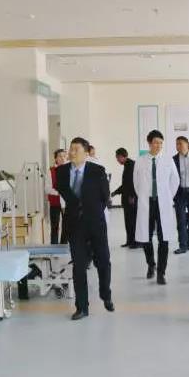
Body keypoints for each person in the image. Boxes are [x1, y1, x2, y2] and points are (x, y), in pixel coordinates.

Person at [56, 137, 113, 320]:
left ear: (86, 153)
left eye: (76, 149)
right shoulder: (61, 171)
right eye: (70, 149)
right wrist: (79, 208)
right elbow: (64, 192)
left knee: (103, 261)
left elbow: (105, 196)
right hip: (75, 225)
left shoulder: (97, 171)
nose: (71, 152)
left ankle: (105, 293)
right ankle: (82, 307)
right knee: (79, 266)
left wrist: (91, 211)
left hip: (96, 223)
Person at [133, 130, 180, 285]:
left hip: (163, 203)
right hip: (147, 203)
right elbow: (136, 183)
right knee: (145, 237)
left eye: (160, 143)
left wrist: (167, 196)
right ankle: (151, 264)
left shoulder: (167, 160)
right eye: (155, 142)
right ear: (149, 143)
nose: (158, 145)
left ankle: (161, 272)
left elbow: (175, 180)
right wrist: (144, 196)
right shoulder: (140, 161)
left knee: (163, 238)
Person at [111, 148, 138, 248]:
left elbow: (133, 183)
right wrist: (115, 192)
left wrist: (132, 196)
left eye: (117, 158)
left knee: (133, 221)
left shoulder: (131, 165)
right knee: (128, 221)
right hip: (127, 198)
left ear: (122, 156)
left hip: (131, 198)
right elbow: (125, 184)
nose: (117, 160)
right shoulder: (127, 165)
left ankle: (136, 242)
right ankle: (129, 241)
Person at [46, 148, 67, 244]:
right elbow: (47, 189)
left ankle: (63, 246)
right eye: (60, 156)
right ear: (55, 159)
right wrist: (59, 192)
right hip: (55, 203)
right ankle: (54, 247)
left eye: (64, 156)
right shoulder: (51, 171)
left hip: (67, 203)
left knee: (66, 226)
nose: (62, 158)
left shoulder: (70, 170)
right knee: (54, 227)